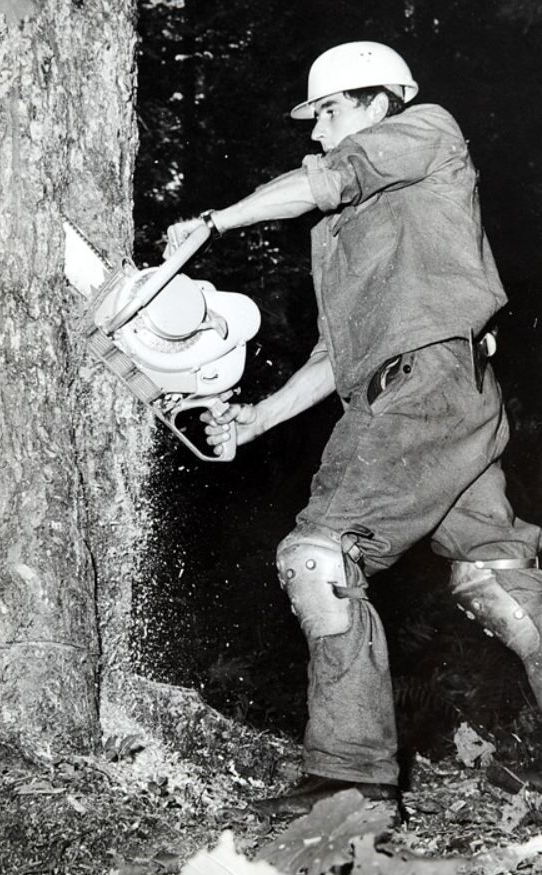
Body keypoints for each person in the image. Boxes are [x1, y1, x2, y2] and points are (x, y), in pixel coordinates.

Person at [165, 41, 542, 817]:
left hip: (421, 387)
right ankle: (356, 778)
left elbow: (323, 178)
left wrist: (215, 219)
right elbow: (338, 354)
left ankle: (351, 778)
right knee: (499, 581)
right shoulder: (346, 233)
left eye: (329, 110)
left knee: (317, 555)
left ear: (377, 102)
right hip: (443, 395)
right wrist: (253, 420)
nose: (318, 131)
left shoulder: (426, 130)